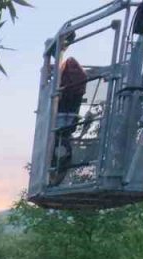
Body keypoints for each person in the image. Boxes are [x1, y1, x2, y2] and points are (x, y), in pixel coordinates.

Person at [52, 34, 87, 176]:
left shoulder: (68, 79)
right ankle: (59, 169)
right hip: (68, 118)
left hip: (62, 118)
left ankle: (57, 170)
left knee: (60, 143)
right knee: (63, 141)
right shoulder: (79, 80)